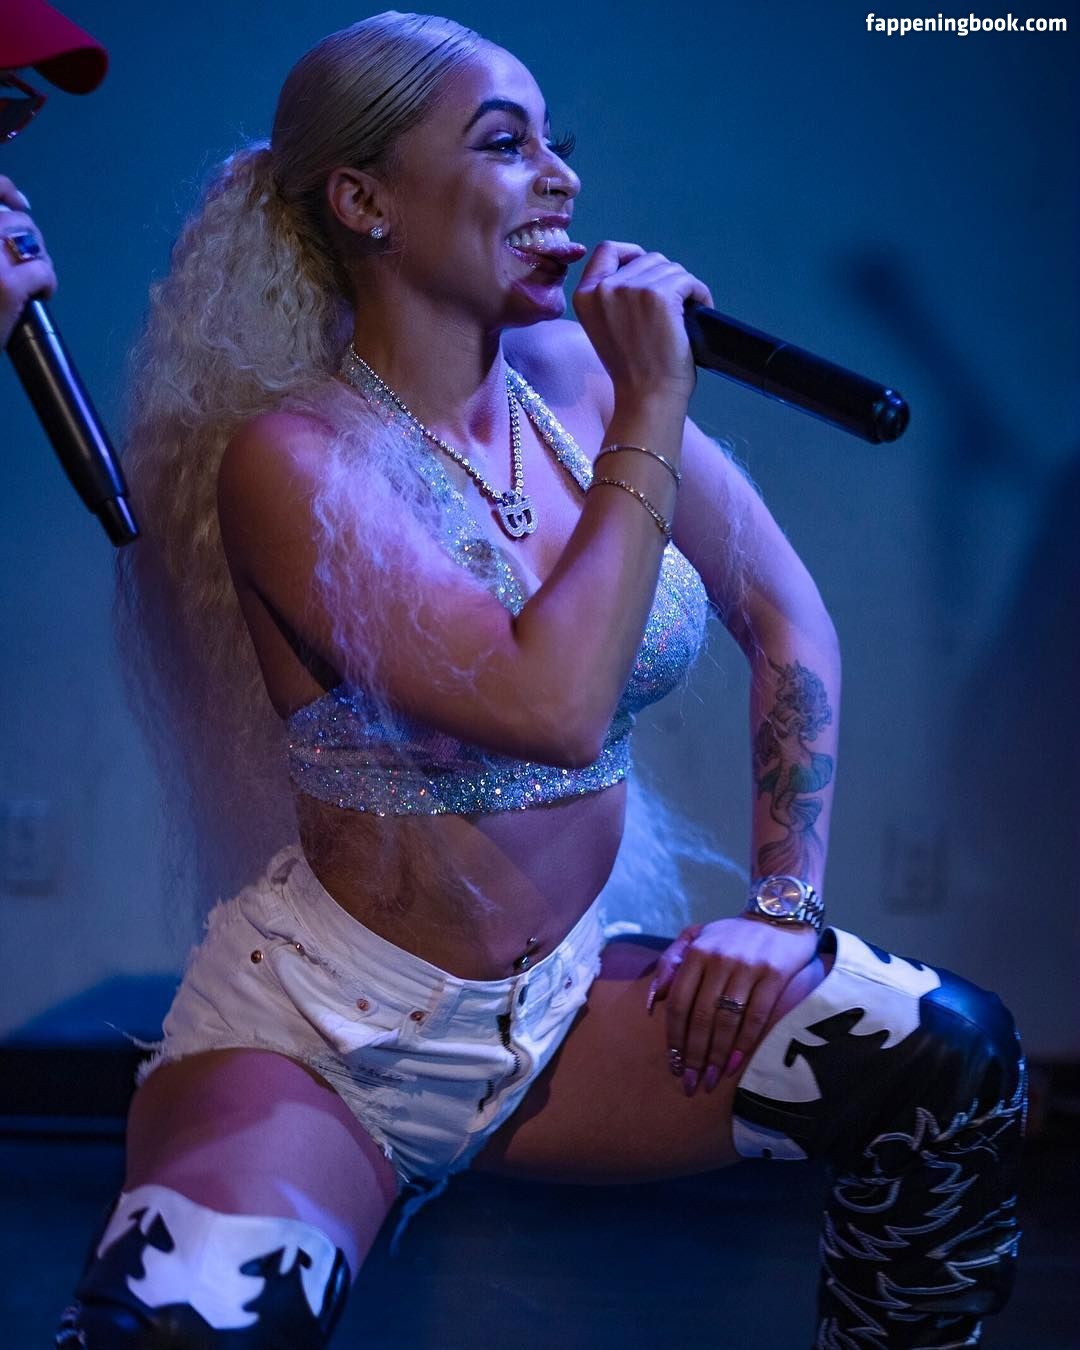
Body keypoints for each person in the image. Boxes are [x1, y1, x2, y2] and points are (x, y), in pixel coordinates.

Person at [57, 13, 1025, 1349]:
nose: (561, 178)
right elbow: (550, 709)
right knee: (188, 1325)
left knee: (949, 1054)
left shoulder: (573, 385)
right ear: (365, 201)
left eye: (554, 144)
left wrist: (783, 907)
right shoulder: (295, 459)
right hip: (333, 1039)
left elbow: (788, 616)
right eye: (506, 145)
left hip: (561, 1018)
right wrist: (653, 406)